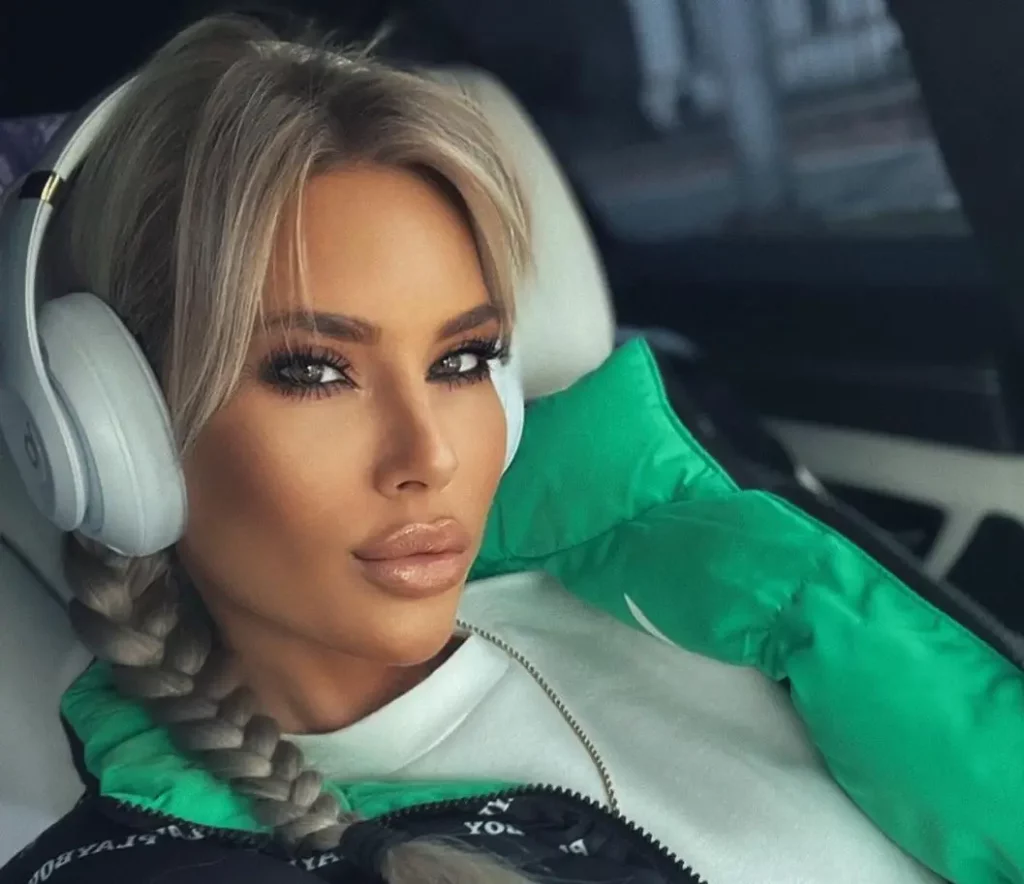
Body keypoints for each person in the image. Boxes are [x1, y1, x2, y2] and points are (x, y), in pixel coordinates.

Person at [0, 14, 1016, 884]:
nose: (430, 455)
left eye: (462, 359)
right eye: (313, 371)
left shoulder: (709, 582)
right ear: (115, 429)